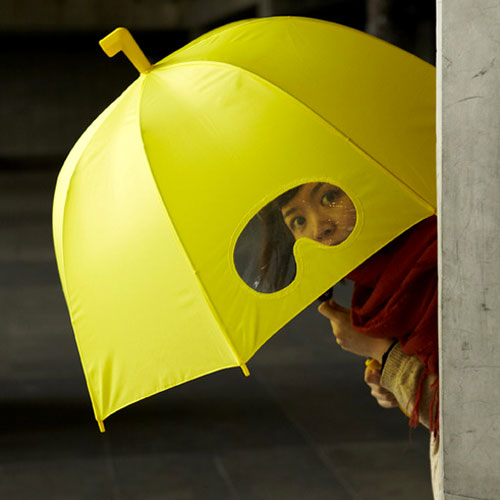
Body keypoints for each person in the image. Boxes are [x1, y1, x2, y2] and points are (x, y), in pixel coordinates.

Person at [256, 181, 440, 497]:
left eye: (330, 197)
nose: (320, 228)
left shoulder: (440, 256)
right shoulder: (376, 289)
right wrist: (392, 374)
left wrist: (383, 351)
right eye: (298, 220)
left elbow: (471, 418)